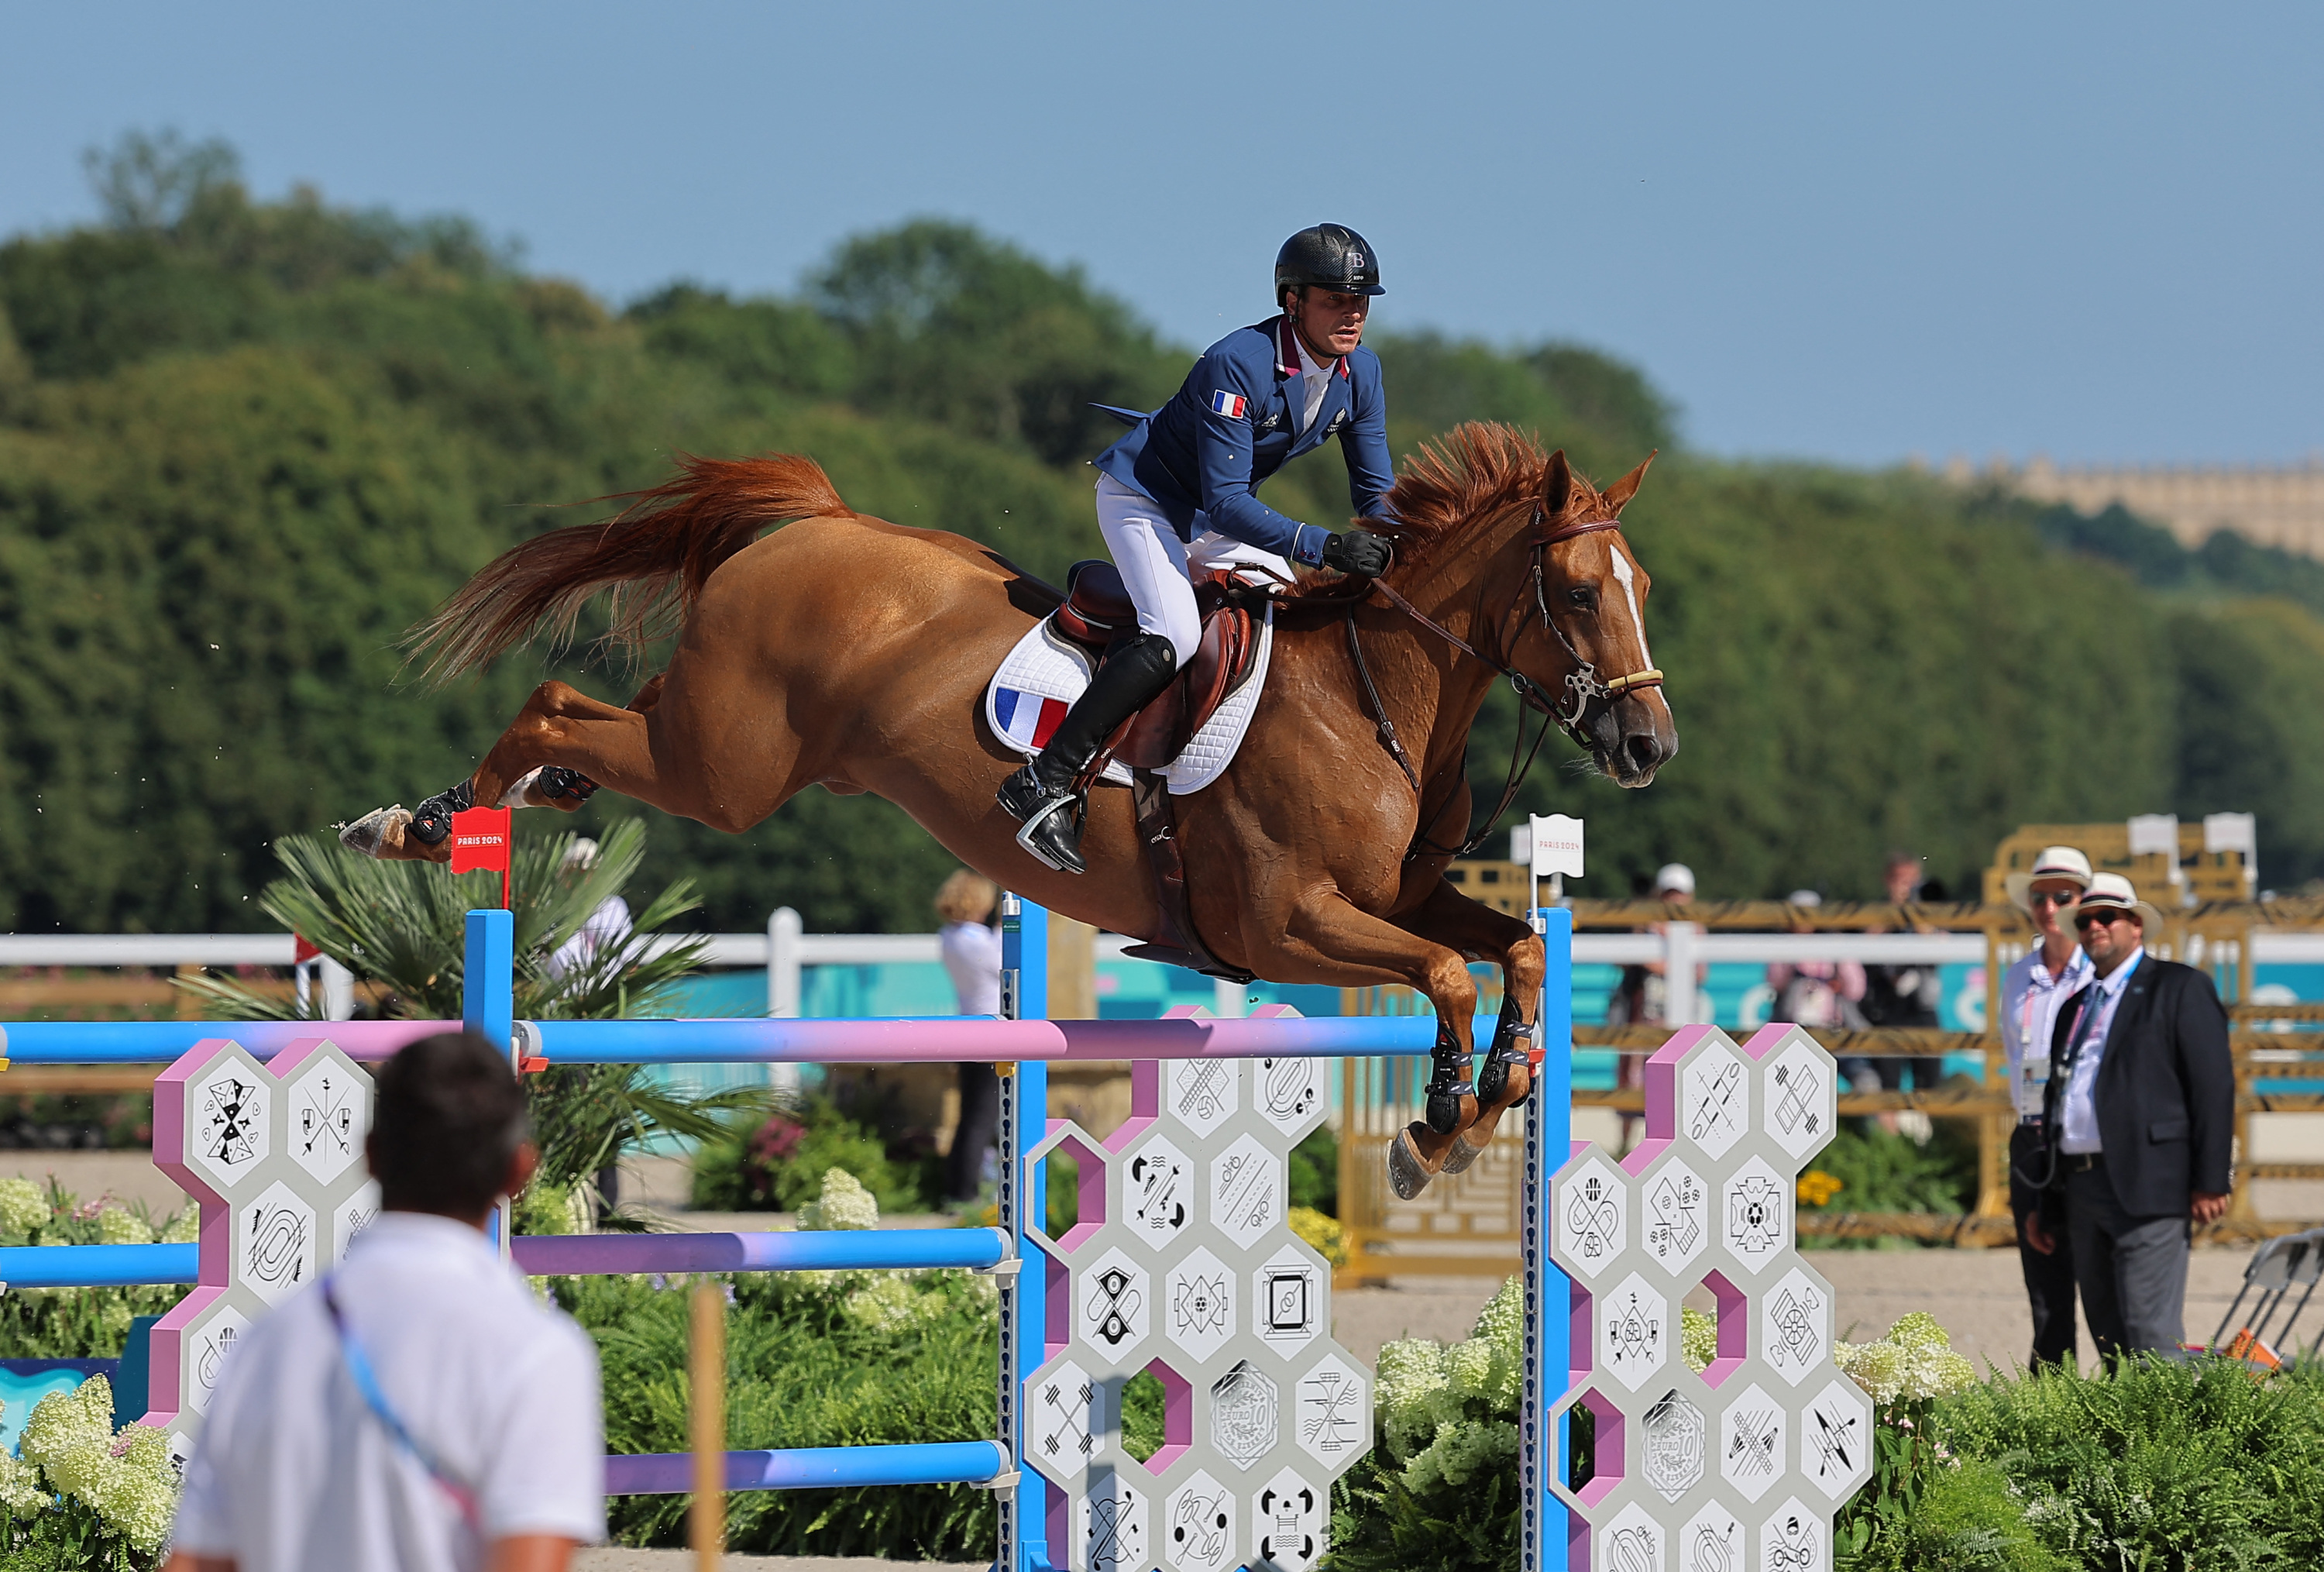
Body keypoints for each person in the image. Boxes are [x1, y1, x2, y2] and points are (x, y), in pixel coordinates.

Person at [997, 224, 1398, 874]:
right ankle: (1046, 779)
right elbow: (1231, 502)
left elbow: (1378, 494)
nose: (1352, 314)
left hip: (1211, 515)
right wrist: (1322, 544)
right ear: (1292, 301)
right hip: (1145, 501)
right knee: (1175, 632)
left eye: (1361, 301)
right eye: (1334, 299)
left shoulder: (1363, 374)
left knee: (1281, 606)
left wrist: (1415, 547)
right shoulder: (1237, 362)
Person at [167, 1032, 604, 1572]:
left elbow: (197, 1560)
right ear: (519, 1172)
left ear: (370, 1156)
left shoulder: (266, 1340)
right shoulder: (536, 1352)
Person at [2024, 873, 2234, 1362]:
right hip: (2080, 1186)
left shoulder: (2178, 986)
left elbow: (2213, 1087)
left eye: (2107, 916)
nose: (2095, 926)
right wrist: (2045, 1200)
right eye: (2086, 920)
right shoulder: (2075, 1004)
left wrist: (2211, 1178)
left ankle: (2184, 1430)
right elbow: (2055, 1099)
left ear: (2136, 925)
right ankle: (2126, 1440)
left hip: (2150, 1183)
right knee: (2109, 1335)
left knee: (2150, 1335)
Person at [1997, 844, 2094, 1368]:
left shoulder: (2099, 974)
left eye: (2063, 895)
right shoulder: (2018, 977)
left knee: (2102, 1281)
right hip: (2034, 1133)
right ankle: (2052, 1401)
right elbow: (2018, 1056)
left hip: (2084, 1136)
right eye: (2040, 897)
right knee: (2045, 1287)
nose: (2049, 907)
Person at [1607, 863, 1699, 1149]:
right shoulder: (1644, 923)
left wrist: (1655, 955)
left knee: (1673, 1080)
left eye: (1679, 894)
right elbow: (1622, 959)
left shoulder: (1694, 927)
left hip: (1675, 1016)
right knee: (1632, 1078)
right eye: (1670, 893)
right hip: (1641, 1012)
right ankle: (1625, 1146)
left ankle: (1662, 1145)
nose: (1675, 899)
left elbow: (1699, 972)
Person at [937, 869, 1003, 1202]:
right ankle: (968, 1194)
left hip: (967, 1026)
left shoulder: (949, 935)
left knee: (970, 1116)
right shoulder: (975, 939)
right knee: (982, 1118)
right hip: (990, 1030)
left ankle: (957, 1189)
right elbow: (1004, 963)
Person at [1858, 850, 1944, 1096]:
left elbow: (1937, 948)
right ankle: (1888, 1134)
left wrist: (1913, 913)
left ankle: (1928, 1132)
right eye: (1899, 880)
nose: (1906, 886)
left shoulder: (1930, 910)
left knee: (1930, 1082)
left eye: (1911, 880)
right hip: (1884, 1008)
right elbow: (1864, 944)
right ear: (1887, 880)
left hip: (1922, 1007)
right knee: (1887, 1082)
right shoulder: (1876, 911)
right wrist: (1893, 912)